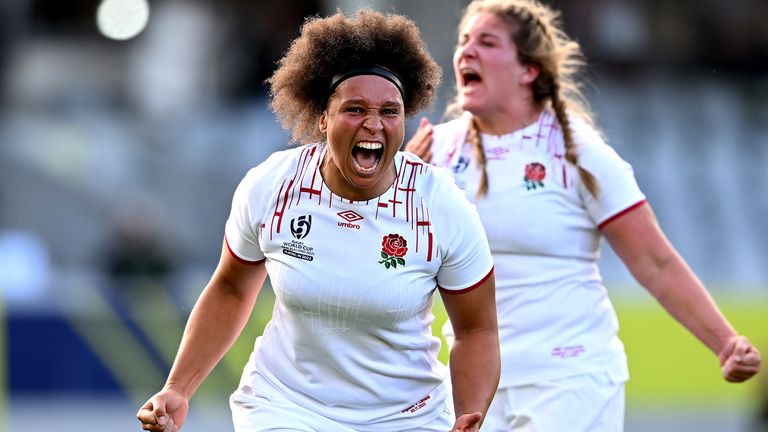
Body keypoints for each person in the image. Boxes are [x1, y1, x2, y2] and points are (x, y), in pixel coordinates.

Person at [137, 9, 500, 432]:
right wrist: (178, 388)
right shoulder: (272, 186)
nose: (373, 124)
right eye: (355, 108)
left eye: (389, 111)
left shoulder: (441, 205)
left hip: (407, 416)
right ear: (323, 118)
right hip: (286, 406)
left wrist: (468, 414)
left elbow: (476, 330)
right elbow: (232, 289)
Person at [404, 0, 762, 430]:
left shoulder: (579, 154)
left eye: (487, 41)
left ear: (528, 71)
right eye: (464, 41)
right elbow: (393, 259)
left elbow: (655, 262)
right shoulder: (432, 153)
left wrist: (725, 342)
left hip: (570, 380)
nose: (466, 52)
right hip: (474, 386)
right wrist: (399, 191)